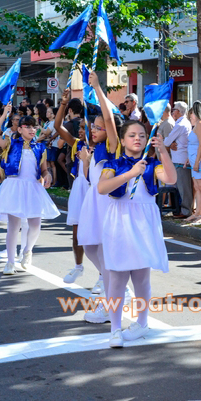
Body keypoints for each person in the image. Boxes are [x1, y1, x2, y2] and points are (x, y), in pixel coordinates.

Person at [97, 120, 176, 347]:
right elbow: (102, 188)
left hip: (143, 223)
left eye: (141, 135)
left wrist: (163, 152)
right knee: (117, 279)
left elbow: (171, 179)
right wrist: (130, 173)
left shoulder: (152, 164)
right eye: (132, 135)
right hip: (119, 223)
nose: (137, 139)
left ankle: (142, 323)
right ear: (122, 140)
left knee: (142, 278)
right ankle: (114, 329)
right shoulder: (113, 163)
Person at [0, 105, 60, 275]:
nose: (32, 129)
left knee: (35, 224)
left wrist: (47, 175)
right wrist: (5, 113)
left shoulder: (40, 147)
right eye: (27, 126)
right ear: (19, 129)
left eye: (34, 126)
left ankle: (27, 250)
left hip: (33, 187)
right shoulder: (10, 143)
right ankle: (10, 263)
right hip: (14, 186)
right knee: (14, 225)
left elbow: (43, 169)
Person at [76, 71, 123, 312]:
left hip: (108, 205)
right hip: (92, 203)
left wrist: (97, 88)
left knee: (106, 249)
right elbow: (88, 179)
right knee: (89, 246)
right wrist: (85, 161)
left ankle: (112, 293)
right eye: (92, 127)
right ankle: (107, 280)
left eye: (98, 127)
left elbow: (108, 117)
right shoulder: (93, 150)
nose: (93, 130)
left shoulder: (113, 147)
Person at [54, 90, 91, 284]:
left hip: (94, 190)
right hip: (79, 188)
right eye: (80, 127)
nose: (81, 130)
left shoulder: (104, 148)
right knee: (76, 233)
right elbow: (57, 126)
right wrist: (63, 104)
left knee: (98, 236)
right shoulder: (77, 144)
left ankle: (104, 276)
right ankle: (78, 266)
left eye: (85, 127)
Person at [164, 101, 192, 218]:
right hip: (179, 158)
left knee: (183, 187)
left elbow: (166, 141)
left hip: (181, 159)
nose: (172, 112)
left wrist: (170, 144)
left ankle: (185, 211)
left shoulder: (180, 124)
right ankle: (179, 209)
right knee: (178, 186)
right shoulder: (183, 122)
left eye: (174, 109)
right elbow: (169, 142)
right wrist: (171, 144)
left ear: (179, 112)